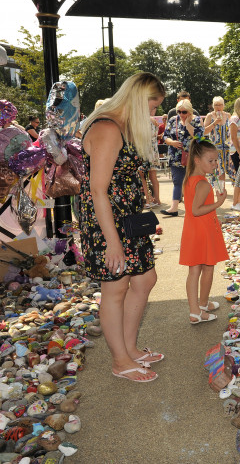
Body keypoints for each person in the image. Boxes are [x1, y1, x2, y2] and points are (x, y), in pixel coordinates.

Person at [78, 72, 166, 383]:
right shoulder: (107, 128)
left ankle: (129, 348)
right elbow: (98, 190)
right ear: (139, 100)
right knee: (115, 288)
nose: (153, 114)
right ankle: (120, 360)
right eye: (152, 107)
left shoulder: (122, 127)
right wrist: (112, 242)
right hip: (108, 222)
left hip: (128, 218)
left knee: (145, 280)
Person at [179, 138, 228, 324]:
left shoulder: (190, 179)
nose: (215, 164)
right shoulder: (203, 183)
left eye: (216, 160)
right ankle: (200, 306)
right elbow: (197, 210)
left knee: (194, 271)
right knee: (207, 268)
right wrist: (218, 203)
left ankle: (198, 308)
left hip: (193, 230)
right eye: (211, 161)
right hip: (203, 231)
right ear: (197, 160)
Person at [161, 99, 201, 216]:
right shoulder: (173, 120)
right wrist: (172, 142)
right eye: (179, 111)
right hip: (175, 156)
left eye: (184, 112)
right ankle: (174, 208)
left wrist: (188, 124)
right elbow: (165, 136)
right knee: (177, 182)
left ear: (190, 111)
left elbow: (199, 137)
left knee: (192, 182)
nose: (181, 114)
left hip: (193, 156)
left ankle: (194, 207)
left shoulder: (197, 120)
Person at [203, 96, 234, 193]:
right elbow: (204, 131)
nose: (218, 107)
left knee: (227, 169)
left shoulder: (228, 115)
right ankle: (220, 190)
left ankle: (222, 189)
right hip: (215, 148)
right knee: (218, 170)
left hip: (228, 148)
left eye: (220, 105)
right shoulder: (210, 116)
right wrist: (215, 123)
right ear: (213, 106)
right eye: (216, 105)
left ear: (223, 106)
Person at [141, 103, 162, 208]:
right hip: (153, 152)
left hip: (144, 151)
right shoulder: (154, 121)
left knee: (141, 175)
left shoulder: (142, 121)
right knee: (153, 176)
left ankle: (148, 200)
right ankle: (157, 199)